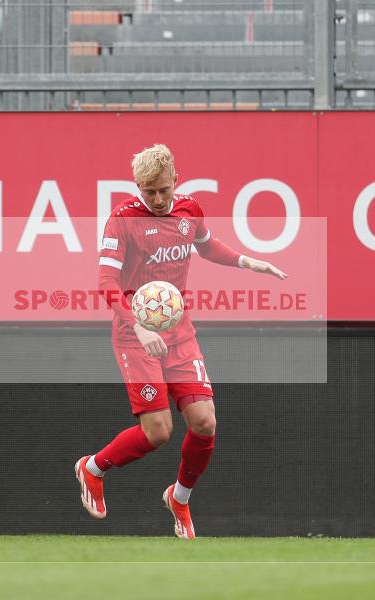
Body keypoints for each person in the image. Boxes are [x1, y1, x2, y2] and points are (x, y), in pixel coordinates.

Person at [75, 144, 287, 539]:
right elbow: (106, 283)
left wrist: (248, 262)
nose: (156, 199)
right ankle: (93, 468)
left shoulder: (189, 210)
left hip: (179, 332)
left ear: (177, 179)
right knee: (158, 432)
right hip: (134, 335)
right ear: (138, 185)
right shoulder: (121, 220)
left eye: (163, 190)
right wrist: (138, 326)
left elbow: (206, 245)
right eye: (148, 190)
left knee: (205, 423)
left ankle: (180, 497)